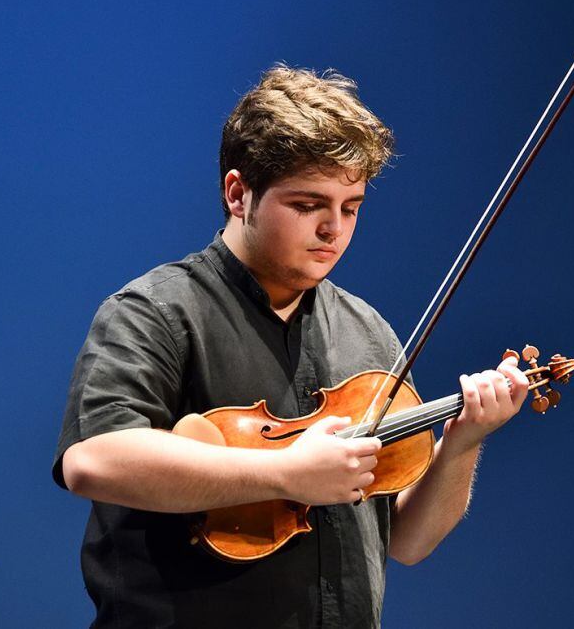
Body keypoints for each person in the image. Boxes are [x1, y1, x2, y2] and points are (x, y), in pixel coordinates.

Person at [53, 65, 529, 628]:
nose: (334, 229)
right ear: (238, 193)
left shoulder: (367, 330)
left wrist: (462, 443)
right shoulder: (155, 312)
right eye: (308, 205)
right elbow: (95, 459)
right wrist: (285, 473)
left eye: (350, 207)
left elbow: (406, 541)